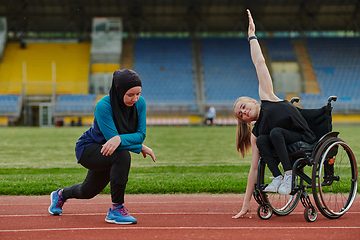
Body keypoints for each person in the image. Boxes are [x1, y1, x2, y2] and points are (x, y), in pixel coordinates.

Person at [232, 10, 316, 219]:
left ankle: (287, 176)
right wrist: (246, 203)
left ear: (252, 101)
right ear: (245, 120)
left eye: (242, 106)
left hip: (304, 140)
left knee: (276, 132)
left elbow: (259, 64)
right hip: (283, 146)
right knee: (263, 139)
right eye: (240, 115)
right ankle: (278, 177)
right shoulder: (256, 131)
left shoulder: (267, 96)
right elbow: (253, 169)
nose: (243, 112)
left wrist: (252, 37)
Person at [48, 69, 156, 224]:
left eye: (138, 93)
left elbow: (140, 135)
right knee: (122, 156)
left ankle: (60, 195)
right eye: (130, 94)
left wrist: (135, 144)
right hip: (88, 149)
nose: (135, 98)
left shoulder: (140, 104)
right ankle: (116, 209)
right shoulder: (103, 106)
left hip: (110, 150)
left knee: (87, 191)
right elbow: (112, 140)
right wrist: (136, 147)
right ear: (119, 91)